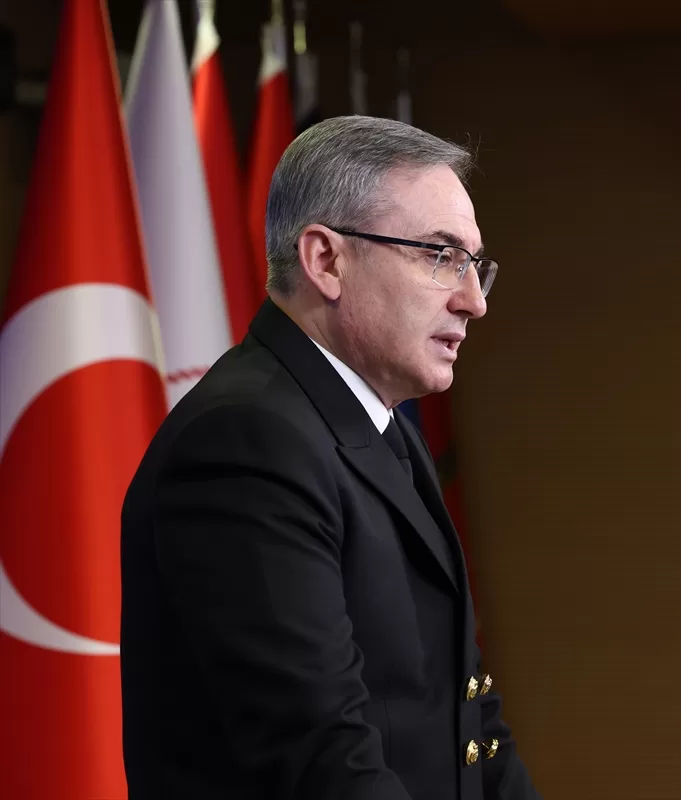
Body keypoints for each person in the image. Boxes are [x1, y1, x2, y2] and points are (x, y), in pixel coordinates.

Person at [120, 115, 540, 800]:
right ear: (325, 261)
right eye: (441, 256)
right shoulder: (244, 443)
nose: (473, 301)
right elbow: (321, 757)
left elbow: (468, 715)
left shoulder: (382, 427)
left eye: (475, 265)